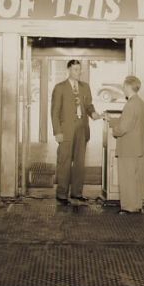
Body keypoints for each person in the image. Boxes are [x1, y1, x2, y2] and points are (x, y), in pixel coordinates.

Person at [50, 59, 102, 204]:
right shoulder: (59, 87)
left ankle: (77, 192)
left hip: (81, 129)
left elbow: (88, 105)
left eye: (79, 70)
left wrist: (94, 114)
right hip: (66, 131)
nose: (78, 73)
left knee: (79, 162)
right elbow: (54, 112)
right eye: (75, 70)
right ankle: (61, 194)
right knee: (64, 162)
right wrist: (57, 132)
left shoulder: (85, 87)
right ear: (69, 70)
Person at [107, 75, 144, 214]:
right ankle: (136, 205)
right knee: (135, 179)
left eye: (124, 86)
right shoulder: (140, 103)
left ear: (129, 87)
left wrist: (114, 131)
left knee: (127, 179)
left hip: (128, 149)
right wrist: (112, 120)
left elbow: (124, 128)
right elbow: (130, 122)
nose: (123, 89)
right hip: (136, 148)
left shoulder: (130, 104)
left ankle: (128, 207)